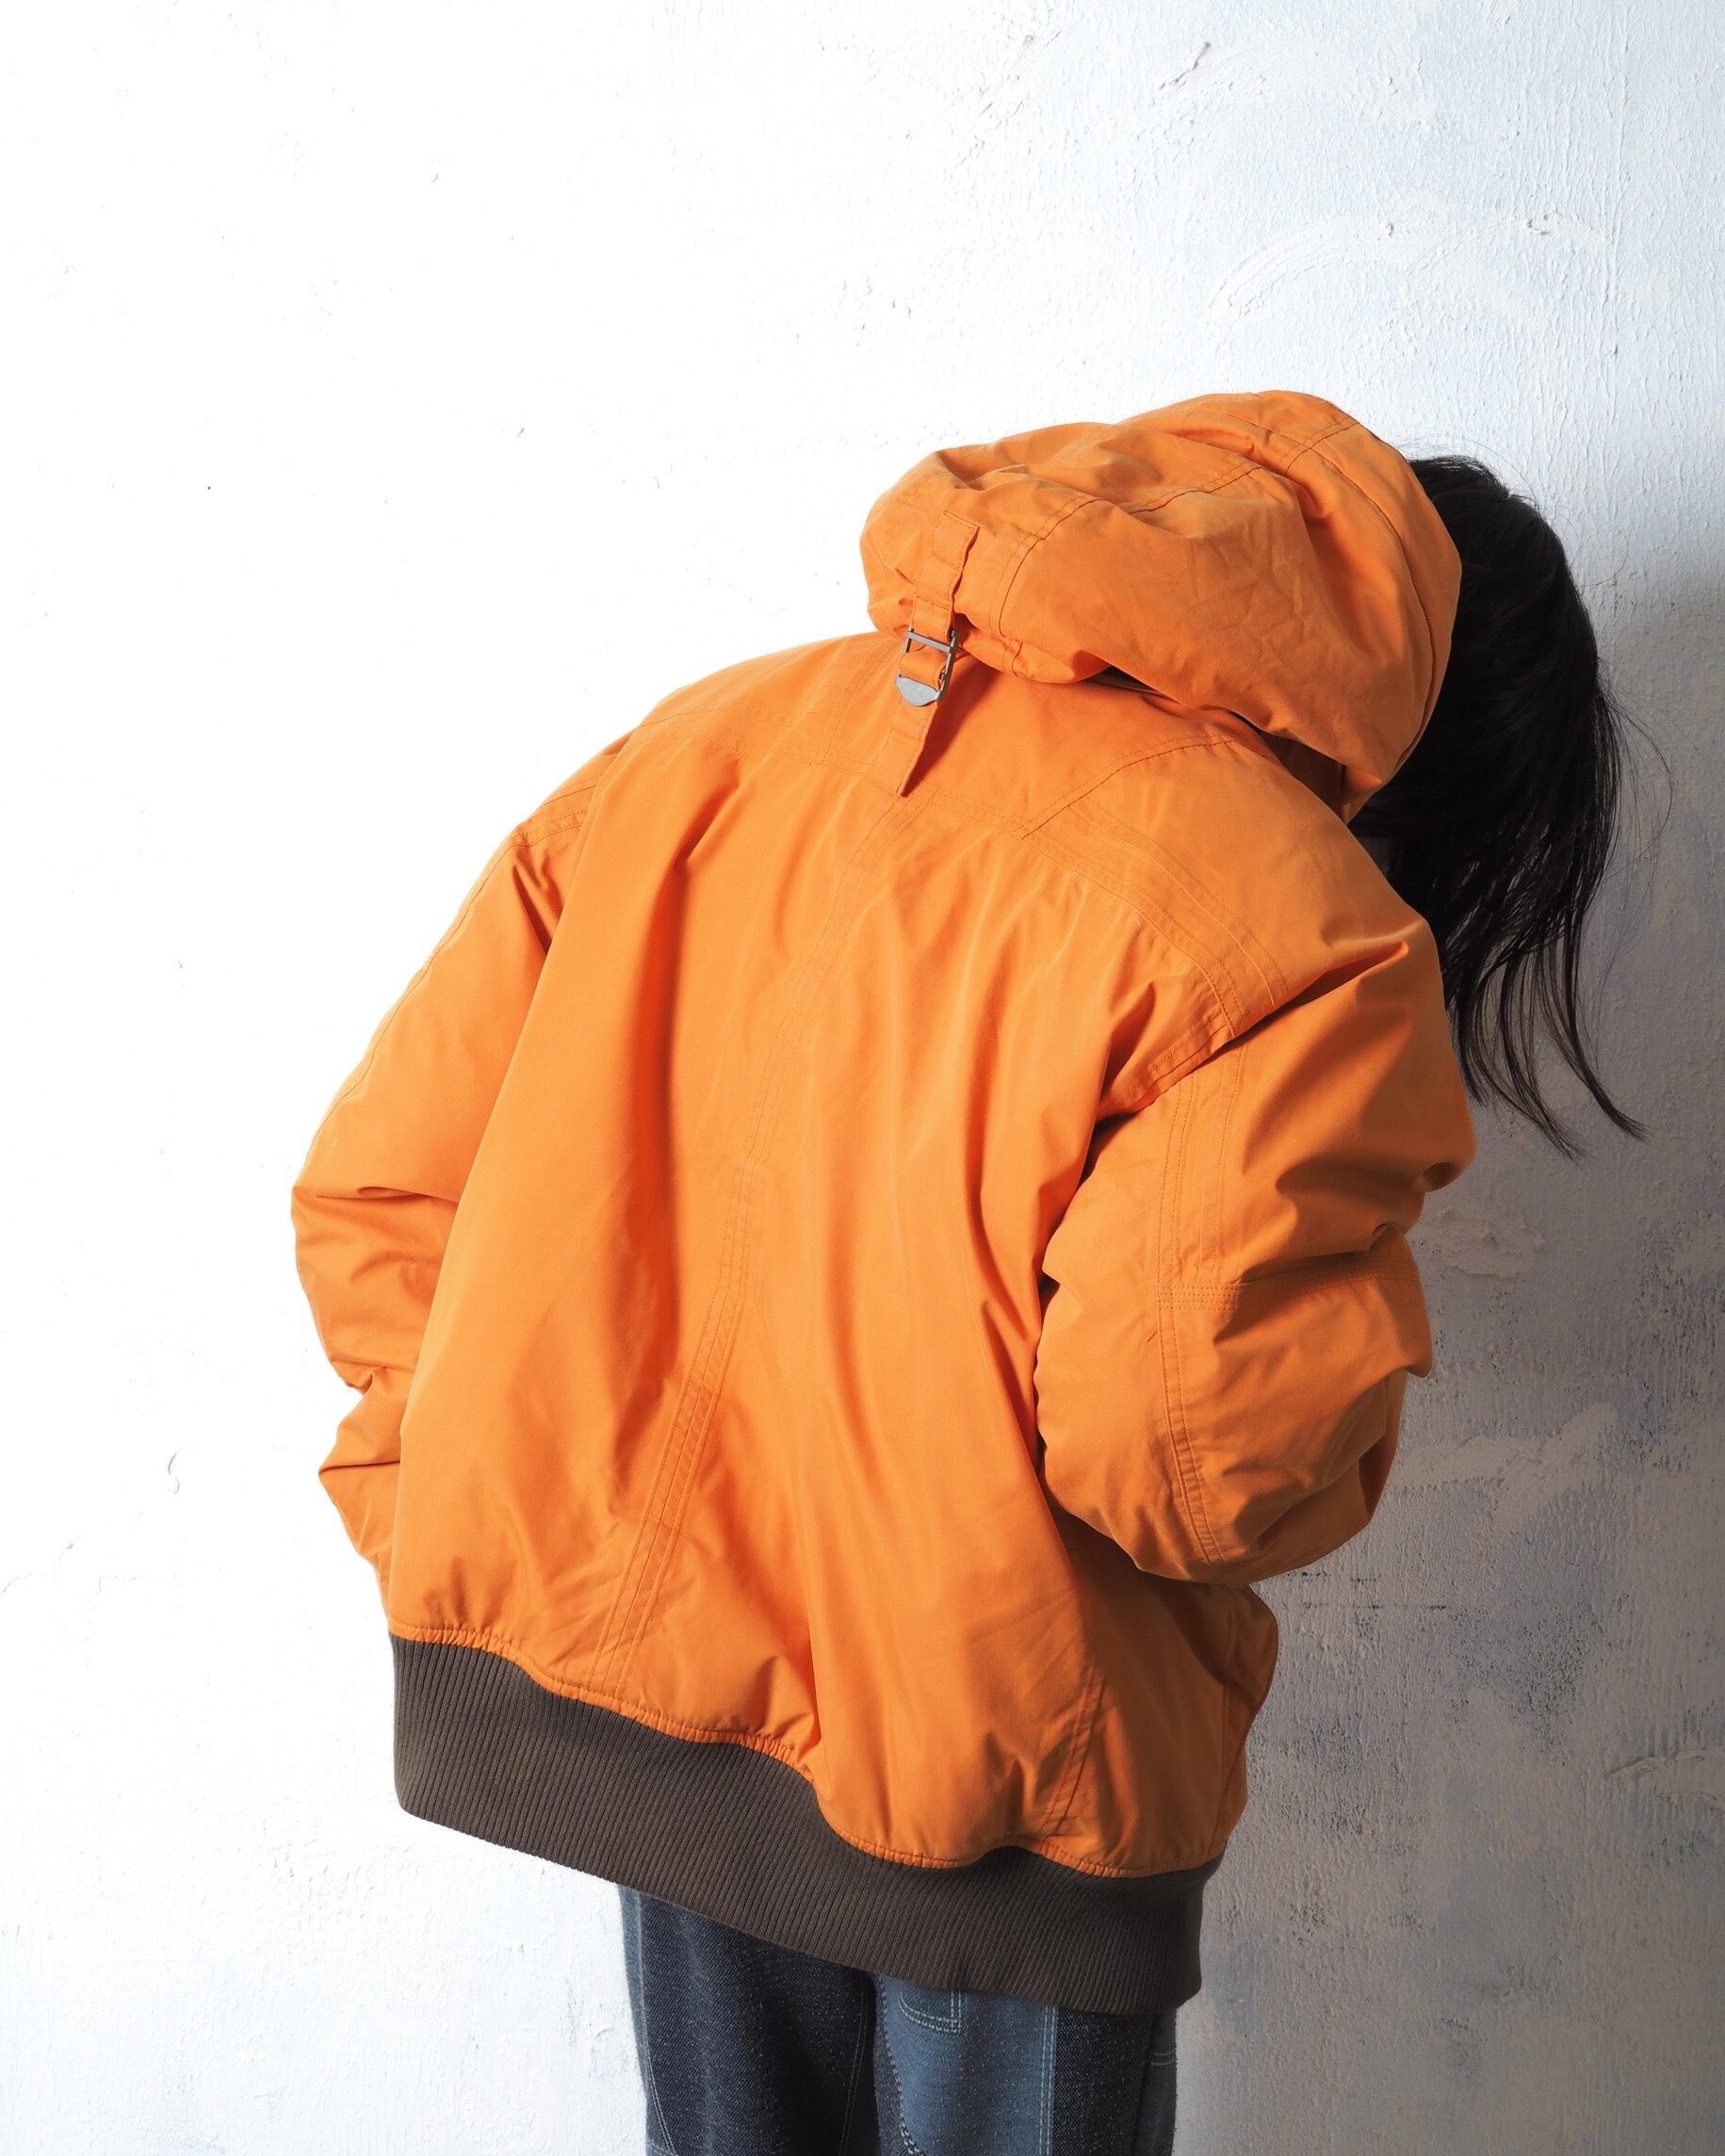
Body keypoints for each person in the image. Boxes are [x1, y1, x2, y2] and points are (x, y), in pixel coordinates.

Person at [291, 390, 1639, 2155]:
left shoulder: (708, 744)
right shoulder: (1305, 931)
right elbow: (1195, 1461)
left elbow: (388, 1192)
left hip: (645, 1740)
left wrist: (490, 1519)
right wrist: (1359, 1387)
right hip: (1008, 1801)